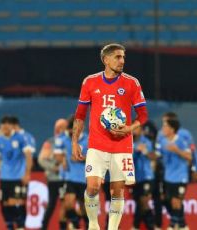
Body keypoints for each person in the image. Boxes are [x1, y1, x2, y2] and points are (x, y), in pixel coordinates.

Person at [71, 43, 148, 230]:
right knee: (93, 186)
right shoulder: (90, 82)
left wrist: (129, 128)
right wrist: (75, 141)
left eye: (123, 57)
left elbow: (143, 116)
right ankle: (93, 223)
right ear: (105, 59)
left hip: (122, 146)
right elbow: (80, 114)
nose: (122, 61)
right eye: (117, 57)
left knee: (117, 191)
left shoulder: (132, 83)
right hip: (97, 144)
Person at [0, 116, 34, 230]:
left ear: (12, 126)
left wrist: (27, 174)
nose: (5, 127)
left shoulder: (21, 138)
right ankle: (10, 226)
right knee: (4, 203)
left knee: (14, 202)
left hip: (18, 176)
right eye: (3, 124)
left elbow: (28, 156)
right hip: (4, 177)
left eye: (8, 124)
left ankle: (20, 226)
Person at [54, 116, 89, 229]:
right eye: (69, 131)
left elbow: (96, 157)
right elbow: (57, 155)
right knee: (68, 205)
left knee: (84, 207)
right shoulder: (62, 138)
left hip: (84, 178)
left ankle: (88, 225)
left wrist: (82, 158)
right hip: (67, 177)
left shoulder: (89, 139)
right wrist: (62, 159)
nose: (71, 134)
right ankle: (76, 224)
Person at [157, 119, 192, 230]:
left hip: (181, 177)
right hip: (168, 177)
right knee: (170, 202)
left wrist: (177, 150)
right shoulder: (162, 142)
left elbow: (189, 157)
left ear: (172, 129)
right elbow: (158, 156)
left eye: (165, 126)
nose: (163, 129)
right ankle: (183, 225)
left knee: (177, 201)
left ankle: (172, 226)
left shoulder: (181, 141)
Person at [38, 118, 68, 229]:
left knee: (65, 204)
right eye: (63, 127)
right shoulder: (50, 142)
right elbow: (41, 159)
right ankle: (44, 226)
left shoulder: (70, 141)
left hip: (67, 177)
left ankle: (63, 227)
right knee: (52, 204)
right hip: (54, 178)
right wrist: (53, 167)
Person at [132, 125, 156, 230]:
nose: (133, 130)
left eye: (136, 128)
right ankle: (142, 225)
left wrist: (145, 151)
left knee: (144, 201)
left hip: (147, 177)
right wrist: (134, 150)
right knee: (140, 204)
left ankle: (138, 226)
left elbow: (152, 156)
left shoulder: (146, 141)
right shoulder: (129, 142)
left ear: (141, 130)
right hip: (136, 178)